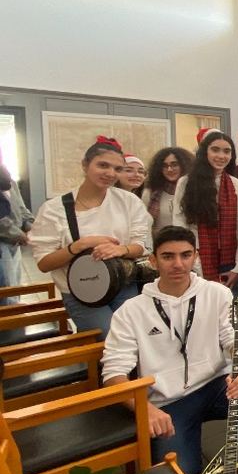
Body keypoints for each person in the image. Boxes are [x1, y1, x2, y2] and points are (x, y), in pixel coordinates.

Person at [101, 225, 238, 474]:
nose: (178, 264)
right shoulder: (130, 311)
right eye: (168, 256)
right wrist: (145, 409)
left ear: (195, 257)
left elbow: (234, 339)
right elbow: (113, 374)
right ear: (153, 260)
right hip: (167, 403)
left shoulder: (217, 293)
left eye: (185, 255)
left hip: (214, 385)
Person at [30, 136, 152, 334]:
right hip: (82, 292)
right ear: (85, 165)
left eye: (117, 168)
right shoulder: (54, 209)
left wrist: (121, 249)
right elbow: (44, 263)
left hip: (123, 284)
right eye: (103, 165)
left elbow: (141, 246)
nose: (110, 173)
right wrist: (79, 246)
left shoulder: (129, 201)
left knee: (137, 336)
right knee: (110, 338)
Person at [173, 131, 238, 287]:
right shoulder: (186, 182)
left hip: (230, 260)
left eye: (226, 151)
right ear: (205, 152)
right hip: (197, 259)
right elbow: (180, 226)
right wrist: (193, 262)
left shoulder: (236, 184)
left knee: (233, 302)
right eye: (215, 150)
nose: (221, 156)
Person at [0, 157, 34, 304]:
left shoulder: (10, 182)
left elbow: (21, 208)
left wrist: (31, 226)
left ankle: (16, 311)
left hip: (15, 242)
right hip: (2, 243)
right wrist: (20, 234)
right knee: (6, 287)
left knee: (15, 284)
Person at [142, 146, 195, 236]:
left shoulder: (195, 191)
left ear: (185, 165)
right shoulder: (151, 193)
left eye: (174, 165)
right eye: (165, 166)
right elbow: (143, 224)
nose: (169, 169)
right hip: (160, 242)